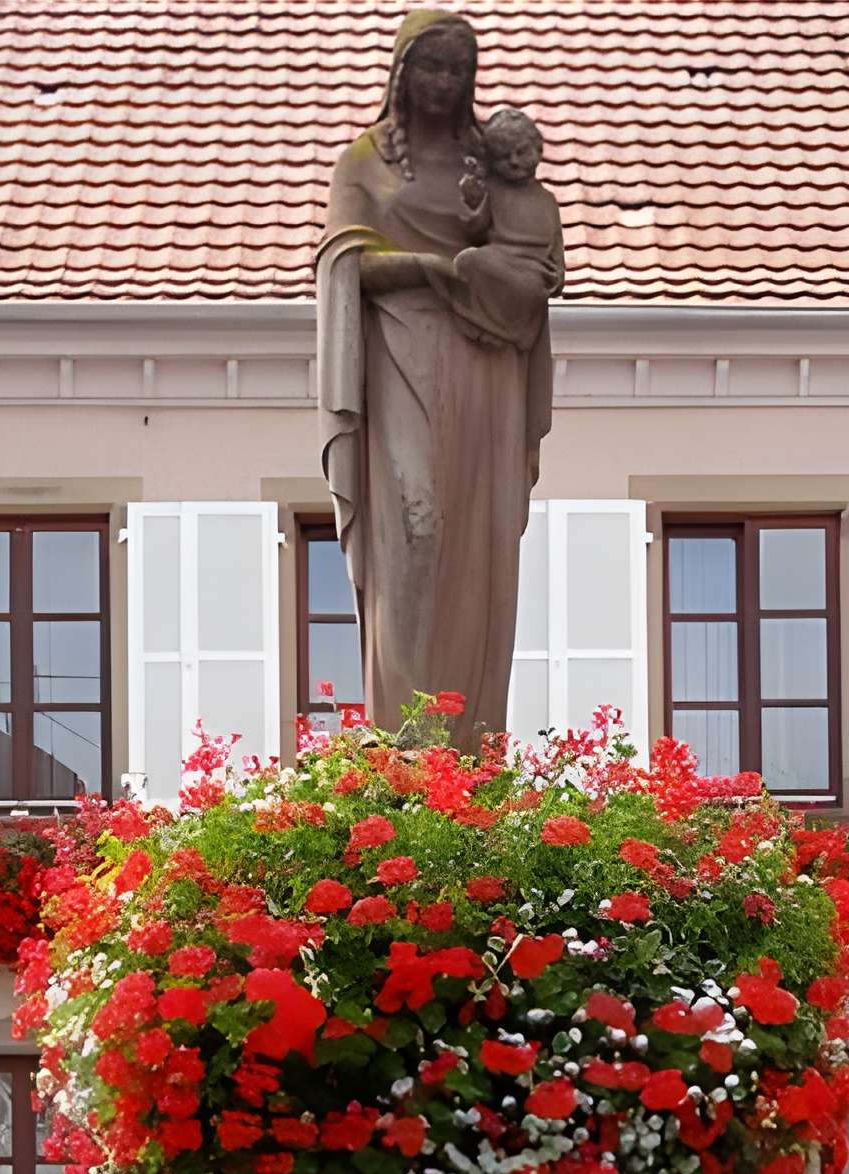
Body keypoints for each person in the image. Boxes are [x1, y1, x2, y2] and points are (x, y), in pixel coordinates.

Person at [316, 10, 560, 744]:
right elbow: (345, 262)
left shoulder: (490, 161)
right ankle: (404, 742)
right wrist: (427, 267)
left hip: (484, 361)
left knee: (478, 539)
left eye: (457, 68)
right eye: (431, 66)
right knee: (412, 529)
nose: (444, 82)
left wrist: (496, 253)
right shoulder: (365, 162)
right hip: (399, 350)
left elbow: (532, 245)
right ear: (402, 72)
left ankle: (469, 745)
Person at [437, 107, 564, 352]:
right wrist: (474, 200)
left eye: (521, 152)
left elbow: (556, 249)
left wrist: (556, 275)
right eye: (504, 156)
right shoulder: (492, 190)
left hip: (533, 276)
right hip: (498, 264)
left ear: (537, 149)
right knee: (468, 261)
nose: (514, 160)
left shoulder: (547, 199)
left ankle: (511, 329)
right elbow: (476, 228)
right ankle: (498, 329)